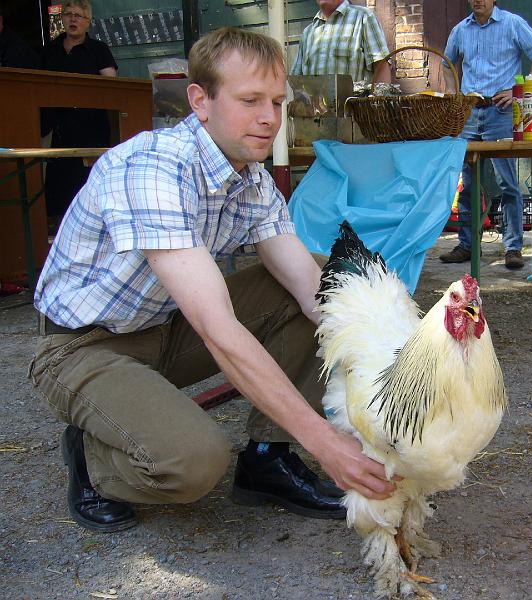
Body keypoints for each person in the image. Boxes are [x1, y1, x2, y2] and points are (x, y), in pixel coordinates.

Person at [29, 26, 396, 534]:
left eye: (276, 101)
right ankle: (95, 456)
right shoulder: (151, 166)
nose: (269, 118)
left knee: (322, 280)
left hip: (163, 328)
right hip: (85, 346)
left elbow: (313, 293)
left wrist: (397, 374)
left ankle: (269, 455)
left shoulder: (251, 176)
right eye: (249, 100)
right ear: (200, 101)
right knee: (195, 464)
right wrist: (326, 441)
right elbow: (217, 327)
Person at [439, 0, 532, 270]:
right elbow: (446, 63)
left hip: (501, 113)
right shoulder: (460, 30)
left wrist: (520, 89)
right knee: (467, 184)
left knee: (508, 183)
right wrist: (457, 96)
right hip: (469, 112)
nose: (478, 0)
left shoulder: (512, 24)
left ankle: (513, 248)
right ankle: (466, 245)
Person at [40, 0, 117, 233]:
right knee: (59, 191)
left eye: (79, 16)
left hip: (90, 129)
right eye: (69, 14)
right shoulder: (50, 50)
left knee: (88, 188)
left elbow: (112, 84)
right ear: (62, 19)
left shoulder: (98, 49)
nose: (73, 19)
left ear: (88, 22)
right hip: (59, 129)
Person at [290, 0, 391, 84]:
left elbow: (381, 67)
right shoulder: (308, 32)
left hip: (354, 107)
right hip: (315, 108)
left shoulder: (363, 17)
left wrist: (380, 106)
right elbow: (296, 81)